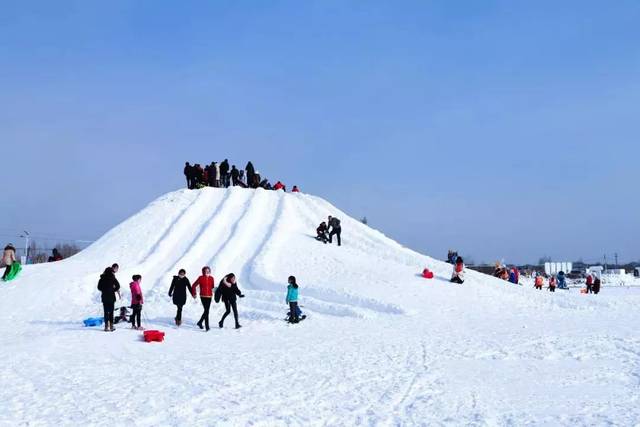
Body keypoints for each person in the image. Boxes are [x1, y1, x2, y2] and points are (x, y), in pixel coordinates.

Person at [97, 266, 121, 332]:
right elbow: (118, 286)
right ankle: (111, 326)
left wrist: (104, 290)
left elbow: (98, 287)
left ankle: (106, 326)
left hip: (104, 297)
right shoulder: (113, 278)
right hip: (111, 297)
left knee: (105, 312)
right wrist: (113, 290)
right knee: (111, 311)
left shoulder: (102, 278)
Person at [191, 266, 215, 331]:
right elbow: (193, 285)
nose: (207, 272)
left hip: (209, 296)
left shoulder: (212, 278)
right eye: (206, 270)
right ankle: (207, 326)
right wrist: (194, 293)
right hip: (203, 296)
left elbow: (212, 287)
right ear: (203, 271)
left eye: (208, 270)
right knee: (206, 311)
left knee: (206, 311)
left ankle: (200, 322)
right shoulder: (200, 278)